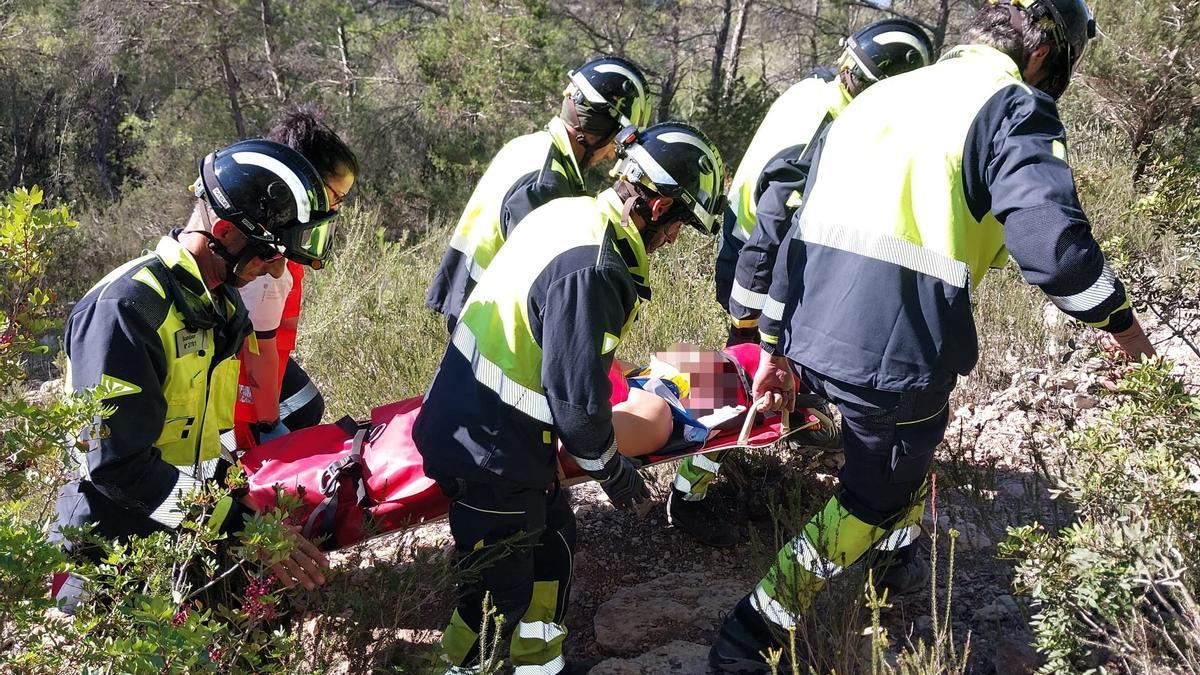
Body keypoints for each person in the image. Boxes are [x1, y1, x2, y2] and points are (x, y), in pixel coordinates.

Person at [709, 0, 1157, 670]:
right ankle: (754, 630)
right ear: (1046, 52)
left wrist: (772, 343)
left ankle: (888, 572)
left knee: (907, 457)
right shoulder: (1010, 105)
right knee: (873, 492)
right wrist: (1124, 329)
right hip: (895, 343)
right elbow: (1055, 249)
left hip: (809, 316)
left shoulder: (883, 96)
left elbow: (794, 221)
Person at [414, 122, 726, 674]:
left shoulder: (571, 212)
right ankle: (459, 667)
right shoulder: (596, 268)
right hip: (490, 451)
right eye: (680, 224)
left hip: (495, 434)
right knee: (494, 598)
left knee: (555, 546)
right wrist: (615, 474)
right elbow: (578, 409)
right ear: (657, 208)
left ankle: (542, 665)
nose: (676, 239)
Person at [671, 19, 935, 549]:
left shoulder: (815, 86)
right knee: (743, 372)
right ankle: (688, 492)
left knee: (745, 368)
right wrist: (751, 323)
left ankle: (793, 419)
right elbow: (776, 222)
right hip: (762, 259)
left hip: (744, 243)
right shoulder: (830, 125)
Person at [51, 140, 339, 610]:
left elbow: (204, 443)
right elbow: (116, 466)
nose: (279, 267)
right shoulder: (126, 311)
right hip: (109, 554)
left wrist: (251, 510)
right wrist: (240, 526)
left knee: (265, 632)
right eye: (269, 254)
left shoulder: (219, 306)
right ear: (224, 231)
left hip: (184, 530)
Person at [424, 56, 652, 331]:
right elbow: (543, 277)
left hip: (469, 302)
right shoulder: (548, 183)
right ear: (597, 132)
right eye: (613, 144)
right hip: (491, 323)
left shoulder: (530, 146)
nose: (609, 156)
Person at [232, 107, 359, 449]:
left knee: (307, 404)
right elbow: (259, 349)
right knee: (287, 422)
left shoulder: (274, 230)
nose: (336, 210)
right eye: (336, 198)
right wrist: (269, 422)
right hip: (237, 380)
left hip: (259, 359)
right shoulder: (265, 259)